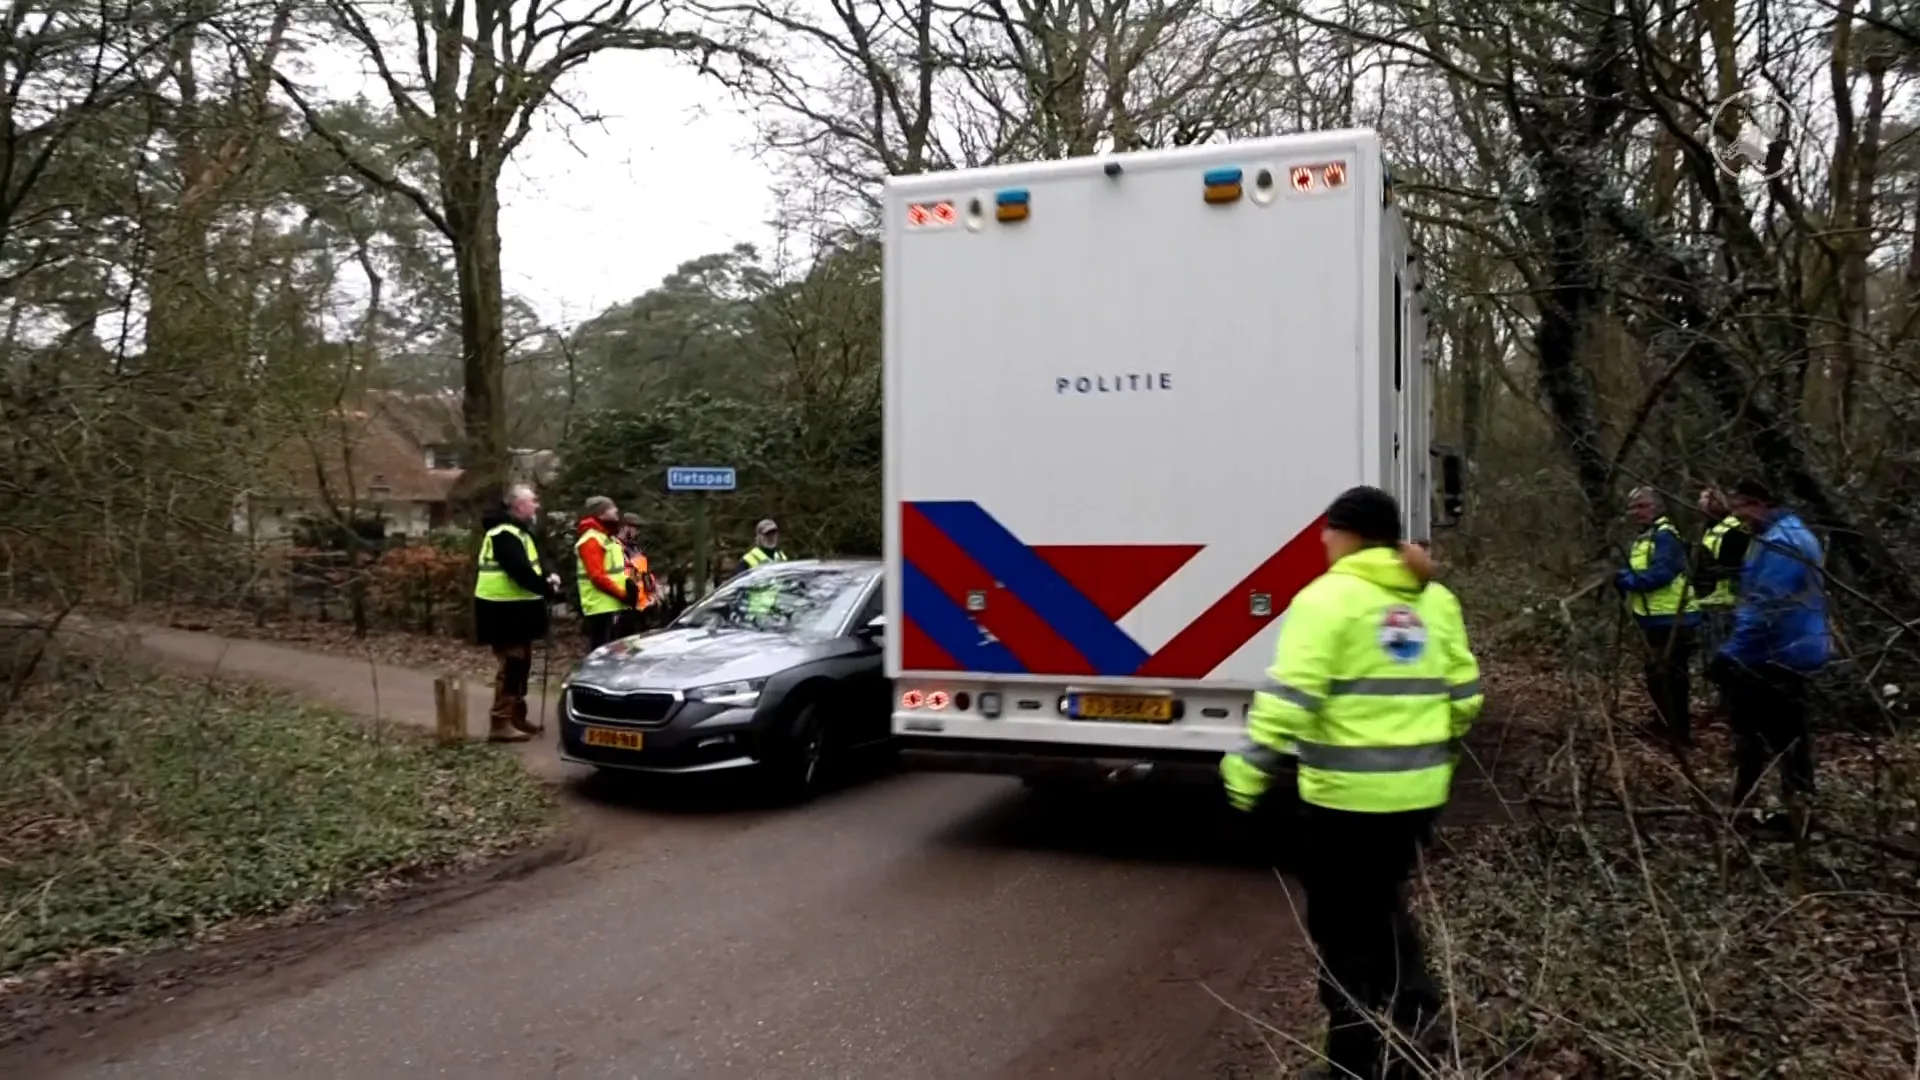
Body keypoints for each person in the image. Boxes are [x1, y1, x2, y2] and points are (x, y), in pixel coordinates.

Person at [1220, 486, 1484, 1080]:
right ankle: (1417, 1027)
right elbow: (1465, 698)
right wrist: (1427, 744)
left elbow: (1293, 697)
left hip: (1345, 801)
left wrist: (1250, 763)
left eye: (1328, 528)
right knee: (1381, 902)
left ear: (1350, 534)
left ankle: (1356, 1061)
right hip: (1418, 798)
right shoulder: (1433, 598)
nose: (1321, 538)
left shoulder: (1326, 599)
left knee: (1342, 930)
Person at [1707, 479, 1830, 837]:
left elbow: (1765, 607)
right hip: (1785, 649)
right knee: (1782, 736)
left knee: (1774, 737)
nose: (1739, 518)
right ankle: (1769, 810)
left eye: (1740, 509)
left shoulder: (1782, 543)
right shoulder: (1786, 534)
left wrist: (1731, 654)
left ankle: (1786, 815)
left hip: (1778, 654)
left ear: (1758, 503)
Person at [473, 485, 562, 742]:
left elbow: (532, 567)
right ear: (518, 505)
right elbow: (519, 572)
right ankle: (500, 722)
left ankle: (515, 717)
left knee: (521, 665)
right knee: (512, 665)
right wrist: (546, 587)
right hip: (501, 612)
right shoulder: (504, 534)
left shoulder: (521, 533)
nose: (537, 506)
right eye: (533, 501)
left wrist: (547, 577)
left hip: (518, 611)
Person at [1615, 486, 1700, 744]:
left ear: (1657, 507)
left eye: (1643, 506)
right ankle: (1664, 724)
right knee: (1656, 678)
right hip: (1653, 619)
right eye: (1634, 507)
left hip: (1674, 619)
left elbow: (1661, 574)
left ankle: (1678, 733)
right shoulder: (1646, 536)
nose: (1637, 513)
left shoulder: (1665, 536)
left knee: (1672, 679)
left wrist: (1626, 579)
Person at [574, 496, 641, 651]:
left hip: (611, 605)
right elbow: (597, 577)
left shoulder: (605, 536)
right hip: (600, 608)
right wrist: (623, 594)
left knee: (617, 654)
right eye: (611, 508)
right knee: (603, 655)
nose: (616, 510)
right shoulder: (592, 539)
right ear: (600, 513)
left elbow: (616, 571)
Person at [1691, 486, 1751, 655]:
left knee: (1723, 654)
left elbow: (1735, 566)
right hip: (1709, 601)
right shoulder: (1711, 529)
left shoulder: (1735, 530)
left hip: (1726, 603)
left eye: (1705, 501)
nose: (1700, 507)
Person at [616, 512, 659, 637]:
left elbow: (643, 573)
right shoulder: (616, 548)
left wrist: (652, 591)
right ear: (625, 527)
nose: (638, 532)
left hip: (642, 608)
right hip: (626, 609)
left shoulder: (635, 549)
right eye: (635, 528)